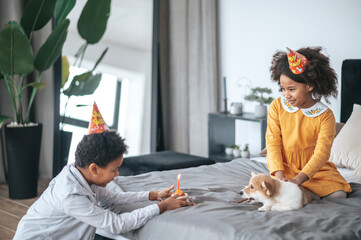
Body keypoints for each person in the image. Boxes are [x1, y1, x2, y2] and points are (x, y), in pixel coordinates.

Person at [13, 103, 192, 240]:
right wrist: (162, 207)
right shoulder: (71, 196)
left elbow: (113, 198)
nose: (117, 175)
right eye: (114, 170)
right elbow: (116, 224)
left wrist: (153, 195)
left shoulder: (79, 175)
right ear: (94, 168)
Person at [266, 47, 352, 199]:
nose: (286, 95)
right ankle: (304, 195)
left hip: (315, 171)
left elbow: (322, 153)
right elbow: (272, 143)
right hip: (285, 168)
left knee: (339, 195)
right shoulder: (277, 106)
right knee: (275, 188)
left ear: (309, 86)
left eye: (291, 89)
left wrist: (298, 180)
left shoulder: (325, 116)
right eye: (283, 89)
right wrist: (279, 175)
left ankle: (304, 193)